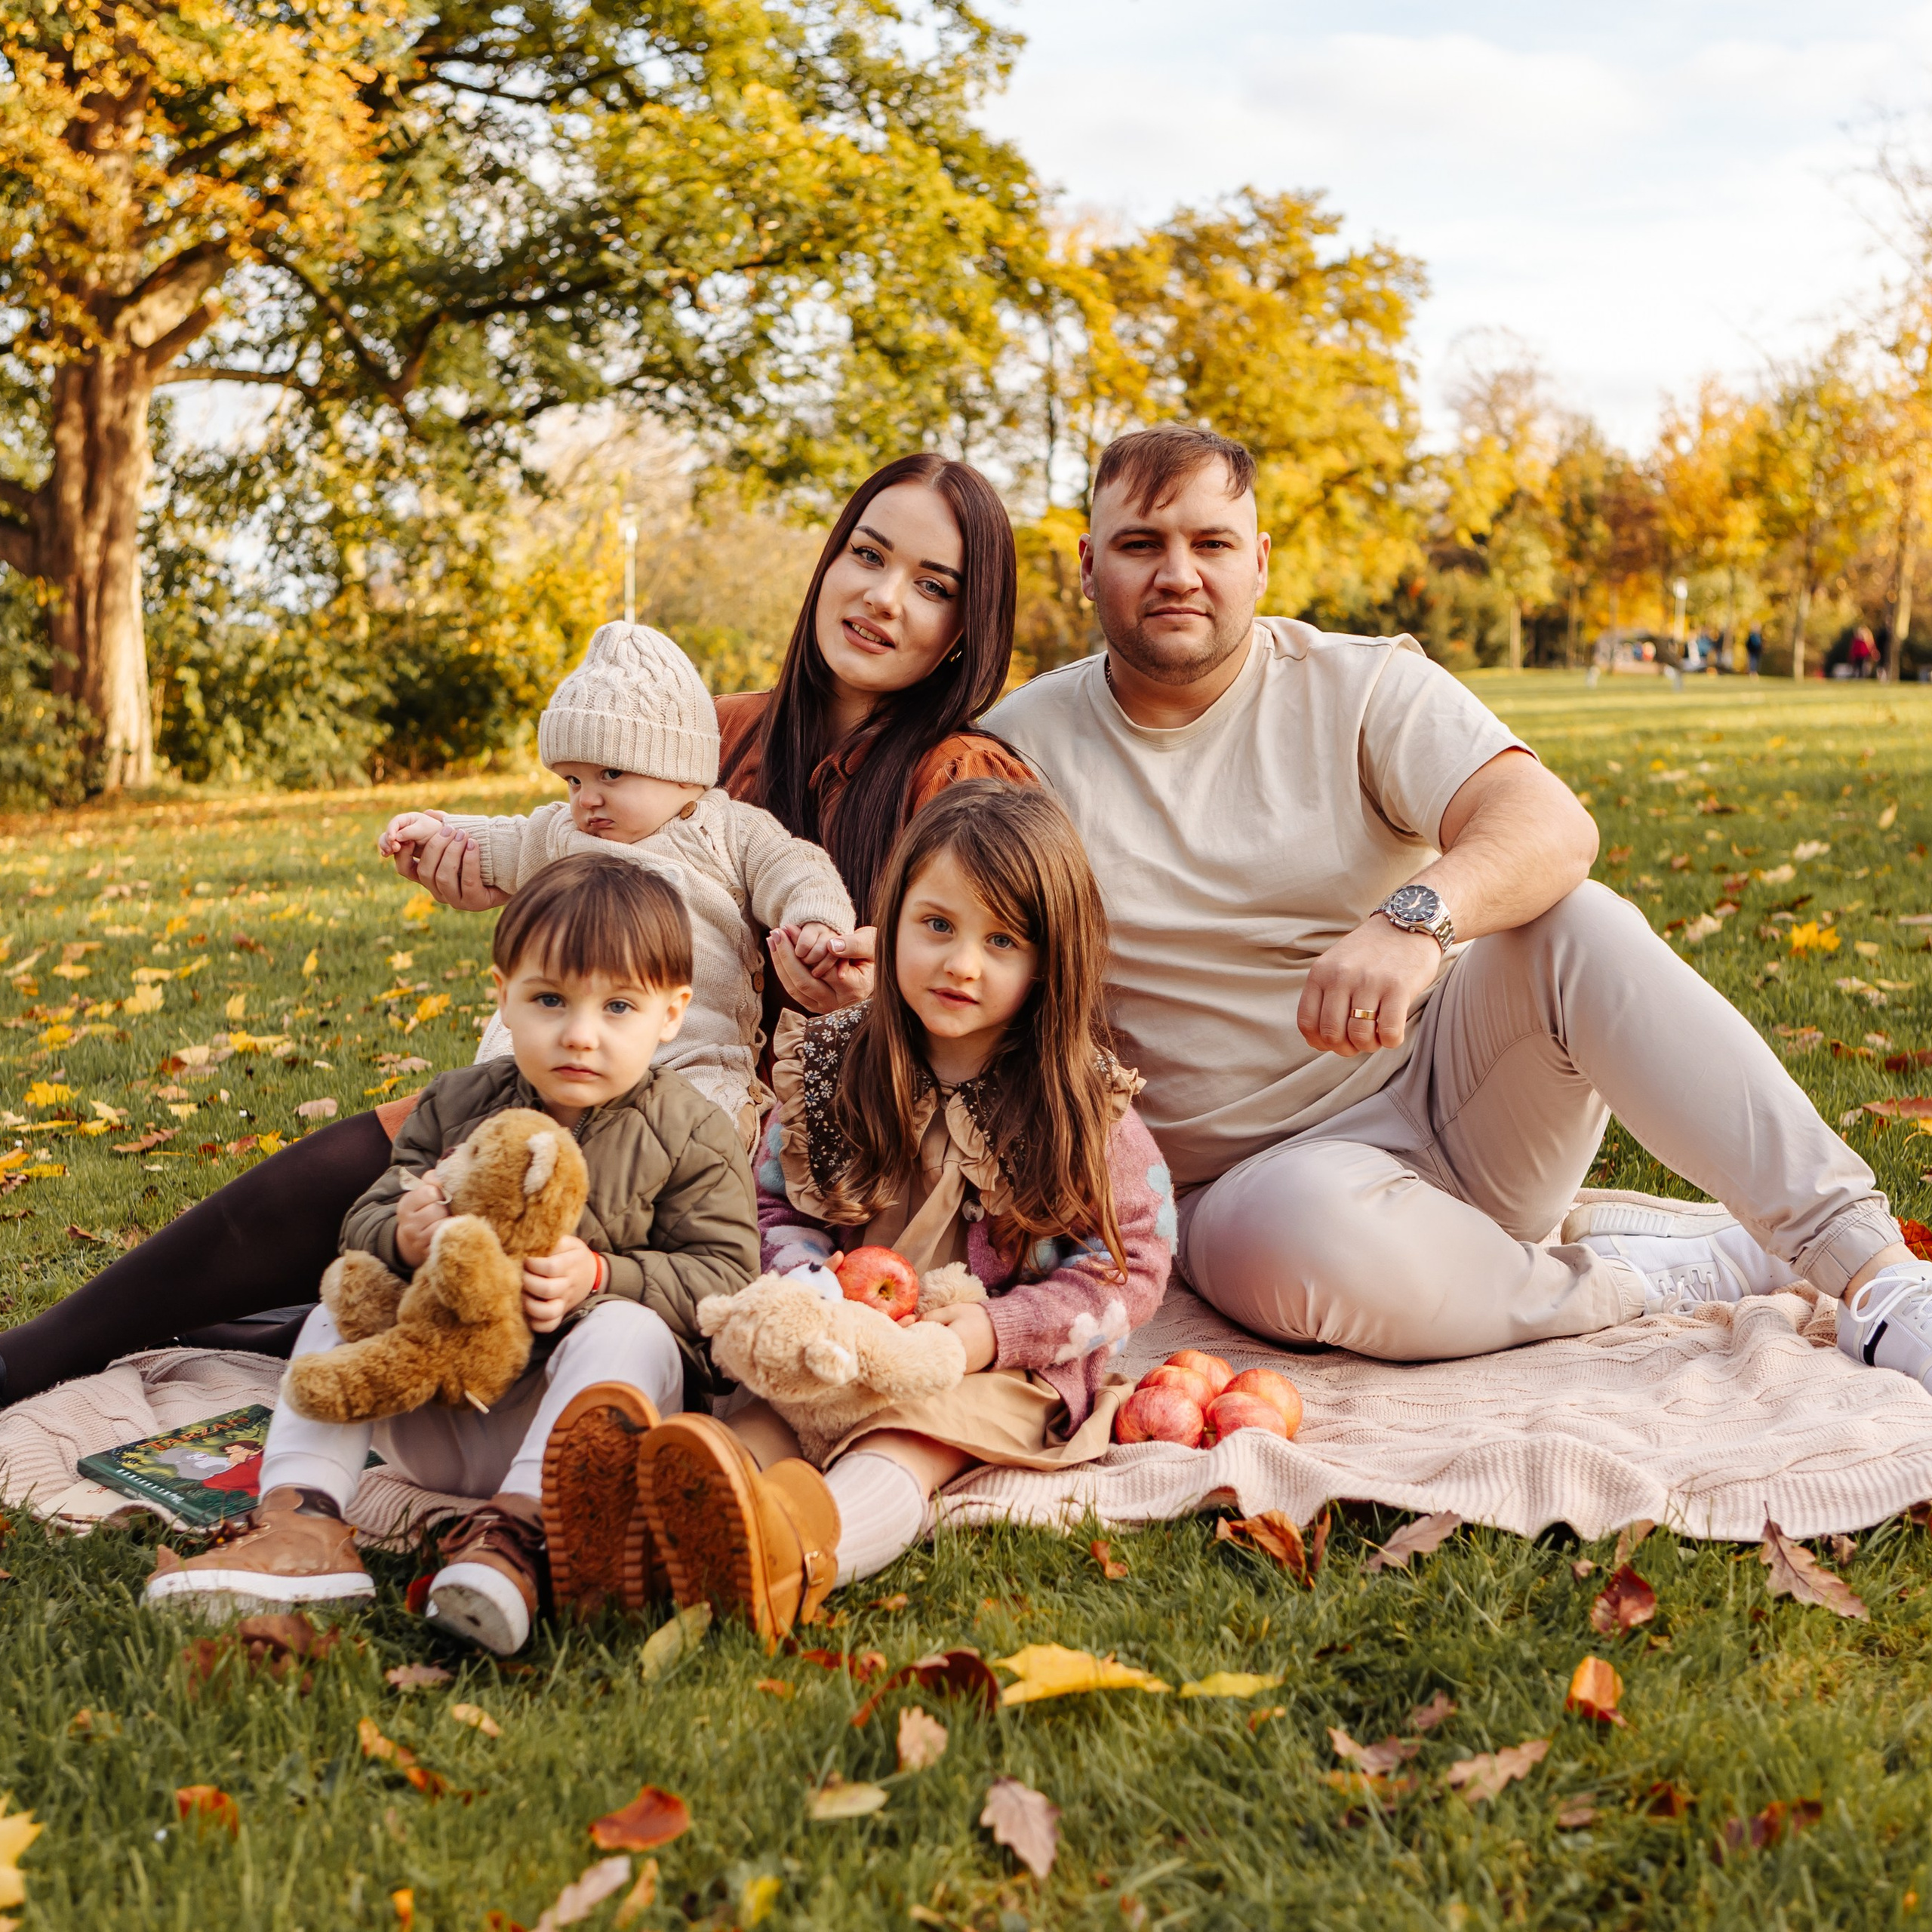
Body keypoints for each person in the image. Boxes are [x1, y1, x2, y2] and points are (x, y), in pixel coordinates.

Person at [0, 455, 1022, 1407]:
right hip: (605, 1054)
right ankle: (43, 1351)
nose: (885, 598)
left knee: (517, 1249)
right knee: (381, 1153)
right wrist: (491, 879)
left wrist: (867, 984)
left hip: (782, 1150)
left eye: (933, 585)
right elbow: (583, 852)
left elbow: (989, 989)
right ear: (831, 562)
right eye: (869, 555)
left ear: (968, 627)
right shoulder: (716, 730)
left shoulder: (961, 777)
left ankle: (299, 1327)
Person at [981, 423, 1930, 1376]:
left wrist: (1413, 919)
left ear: (1259, 563)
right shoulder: (1020, 748)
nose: (1178, 573)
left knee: (1579, 920)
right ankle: (1640, 1278)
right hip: (1256, 1188)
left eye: (1212, 543)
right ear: (1088, 563)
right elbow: (946, 936)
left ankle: (1876, 1277)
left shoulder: (1359, 685)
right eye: (1142, 544)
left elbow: (1549, 822)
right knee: (1295, 1235)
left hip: (1463, 1096)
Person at [143, 855, 760, 1652]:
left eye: (617, 1006)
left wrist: (604, 1276)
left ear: (671, 1013)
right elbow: (362, 1218)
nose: (580, 1032)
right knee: (345, 1299)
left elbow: (727, 1279)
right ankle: (302, 1523)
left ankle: (518, 1541)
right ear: (502, 994)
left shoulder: (690, 1130)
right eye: (548, 1000)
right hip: (437, 1403)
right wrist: (403, 1230)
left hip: (575, 1425)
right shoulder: (459, 1102)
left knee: (630, 1330)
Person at [631, 781, 1175, 1639]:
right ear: (892, 921)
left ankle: (804, 1557)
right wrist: (808, 1289)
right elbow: (773, 1204)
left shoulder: (1078, 1103)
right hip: (834, 1335)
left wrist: (992, 1334)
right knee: (753, 1421)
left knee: (908, 1439)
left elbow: (1132, 1265)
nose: (962, 963)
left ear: (1050, 961)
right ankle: (660, 1537)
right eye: (937, 926)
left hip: (979, 1362)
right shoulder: (836, 1062)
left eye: (1002, 941)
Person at [378, 620, 855, 1146]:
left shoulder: (727, 830)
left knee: (695, 1137)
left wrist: (815, 919)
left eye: (610, 775)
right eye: (573, 780)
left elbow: (793, 866)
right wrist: (438, 833)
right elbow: (504, 840)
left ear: (681, 772)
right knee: (488, 1122)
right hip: (553, 1052)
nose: (586, 799)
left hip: (682, 1057)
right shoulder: (562, 834)